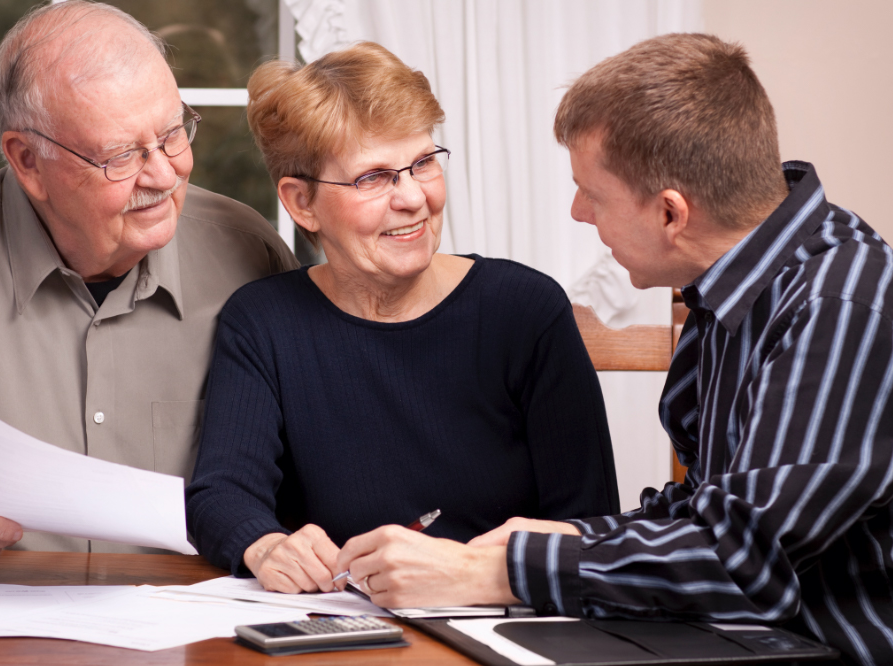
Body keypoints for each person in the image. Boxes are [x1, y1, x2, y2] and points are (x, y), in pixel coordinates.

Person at [338, 33, 893, 666]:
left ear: (669, 212)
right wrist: (570, 535)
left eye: (591, 194)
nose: (579, 212)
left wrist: (500, 570)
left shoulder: (840, 305)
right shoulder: (743, 276)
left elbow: (743, 562)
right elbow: (714, 508)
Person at [185, 42, 619, 596]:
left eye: (423, 163)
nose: (413, 197)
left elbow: (590, 524)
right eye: (373, 178)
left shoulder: (526, 310)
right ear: (301, 203)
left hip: (504, 635)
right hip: (333, 640)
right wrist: (267, 545)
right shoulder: (263, 321)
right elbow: (222, 494)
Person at [0, 1, 296, 584]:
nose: (163, 175)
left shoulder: (252, 256)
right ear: (27, 160)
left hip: (202, 658)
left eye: (174, 133)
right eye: (121, 155)